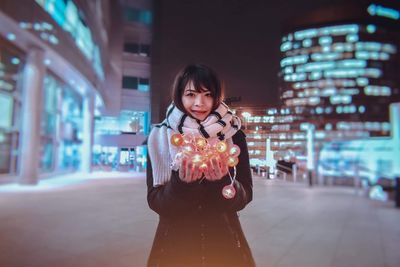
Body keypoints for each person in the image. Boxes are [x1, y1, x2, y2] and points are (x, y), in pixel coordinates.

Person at [147, 64, 255, 267]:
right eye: (191, 94)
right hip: (174, 248)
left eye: (208, 94)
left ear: (217, 98)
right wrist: (181, 185)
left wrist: (222, 183)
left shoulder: (233, 134)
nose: (200, 103)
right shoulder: (160, 137)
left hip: (225, 245)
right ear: (179, 96)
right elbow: (155, 201)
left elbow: (245, 194)